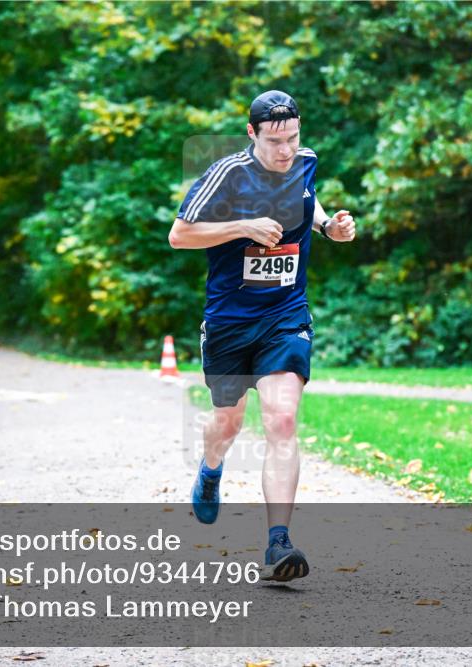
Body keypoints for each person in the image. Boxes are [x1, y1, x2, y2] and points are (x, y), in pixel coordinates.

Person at [168, 90, 356, 582]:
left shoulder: (306, 161)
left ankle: (279, 543)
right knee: (227, 423)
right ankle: (211, 471)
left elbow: (308, 205)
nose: (286, 151)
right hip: (230, 321)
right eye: (275, 141)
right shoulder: (227, 174)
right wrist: (241, 226)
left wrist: (329, 228)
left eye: (293, 138)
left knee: (282, 419)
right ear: (252, 134)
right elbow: (179, 235)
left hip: (284, 314)